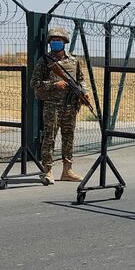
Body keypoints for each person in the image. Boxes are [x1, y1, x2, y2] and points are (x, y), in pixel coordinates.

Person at [30, 26, 91, 185]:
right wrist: (54, 84)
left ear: (64, 42)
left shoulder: (74, 60)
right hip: (52, 105)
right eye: (53, 40)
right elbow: (34, 83)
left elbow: (80, 78)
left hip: (70, 105)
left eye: (59, 40)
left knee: (68, 137)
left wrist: (84, 92)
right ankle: (48, 170)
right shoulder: (45, 61)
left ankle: (67, 171)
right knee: (49, 138)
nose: (56, 43)